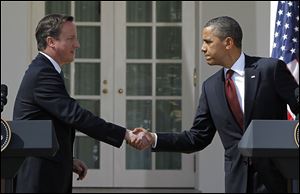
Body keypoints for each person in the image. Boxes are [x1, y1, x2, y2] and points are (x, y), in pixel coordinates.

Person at [134, 16, 299, 193]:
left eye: (208, 42)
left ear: (228, 42)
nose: (203, 48)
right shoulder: (210, 87)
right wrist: (154, 138)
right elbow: (196, 138)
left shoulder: (270, 70)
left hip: (276, 180)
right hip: (237, 183)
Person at [13, 14, 150, 193]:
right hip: (38, 176)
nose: (76, 44)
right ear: (51, 41)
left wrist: (67, 159)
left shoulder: (46, 70)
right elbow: (76, 115)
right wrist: (125, 134)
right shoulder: (42, 73)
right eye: (71, 39)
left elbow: (51, 125)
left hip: (47, 168)